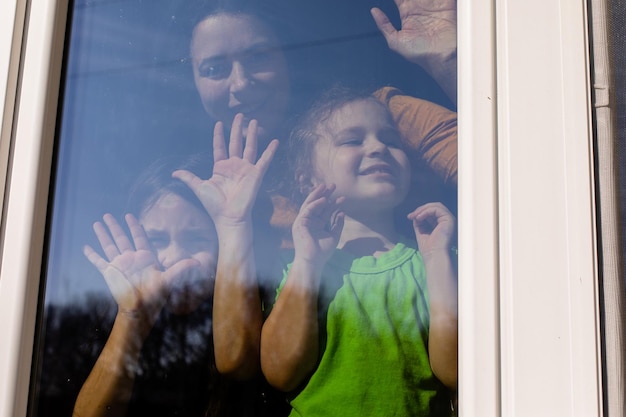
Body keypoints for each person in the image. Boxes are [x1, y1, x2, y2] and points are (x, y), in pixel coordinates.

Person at [183, 0, 459, 381]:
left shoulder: (371, 116)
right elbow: (237, 358)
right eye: (214, 69)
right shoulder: (202, 189)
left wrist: (449, 61)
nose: (241, 83)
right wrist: (234, 225)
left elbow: (504, 166)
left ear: (288, 59)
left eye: (258, 57)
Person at [258, 88, 458, 416]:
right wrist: (307, 262)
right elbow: (281, 372)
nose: (378, 148)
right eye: (352, 140)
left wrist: (437, 261)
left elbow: (454, 371)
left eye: (391, 140)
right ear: (308, 179)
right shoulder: (294, 267)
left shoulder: (440, 259)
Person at [72, 156, 282, 417]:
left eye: (196, 239)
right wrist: (132, 316)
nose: (176, 259)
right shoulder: (102, 321)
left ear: (222, 245)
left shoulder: (254, 309)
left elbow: (239, 363)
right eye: (157, 240)